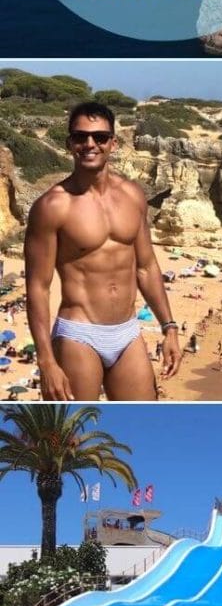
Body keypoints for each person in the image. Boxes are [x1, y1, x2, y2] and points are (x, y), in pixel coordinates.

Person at [24, 101, 182, 401]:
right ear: (70, 142)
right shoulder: (52, 206)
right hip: (78, 335)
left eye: (99, 137)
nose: (89, 144)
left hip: (128, 332)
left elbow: (146, 267)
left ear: (113, 142)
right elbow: (38, 288)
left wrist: (169, 326)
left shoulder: (132, 195)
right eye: (81, 137)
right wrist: (45, 361)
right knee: (75, 434)